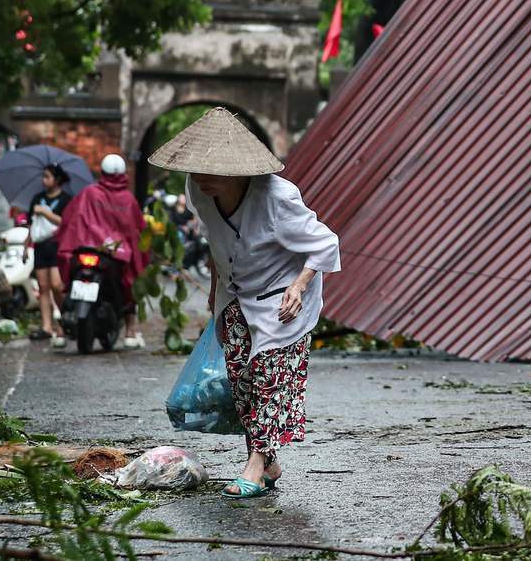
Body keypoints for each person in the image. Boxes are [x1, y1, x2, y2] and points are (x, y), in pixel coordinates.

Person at [147, 106, 340, 499]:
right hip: (236, 295)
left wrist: (299, 287)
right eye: (195, 171)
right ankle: (270, 464)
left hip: (282, 298)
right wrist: (216, 297)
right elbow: (216, 243)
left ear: (236, 172)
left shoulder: (277, 198)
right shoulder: (198, 191)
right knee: (242, 383)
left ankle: (254, 465)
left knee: (270, 380)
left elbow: (325, 244)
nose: (201, 179)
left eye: (210, 172)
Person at [55, 153, 148, 349]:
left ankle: (60, 331)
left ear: (102, 173)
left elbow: (71, 219)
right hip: (115, 253)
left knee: (67, 281)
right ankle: (130, 331)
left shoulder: (89, 192)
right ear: (124, 174)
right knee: (130, 281)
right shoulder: (128, 199)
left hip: (85, 248)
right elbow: (136, 231)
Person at [26, 164, 73, 346]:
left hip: (57, 246)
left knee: (57, 285)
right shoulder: (37, 198)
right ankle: (46, 326)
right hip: (40, 246)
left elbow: (66, 223)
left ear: (57, 179)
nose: (44, 180)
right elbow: (32, 224)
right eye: (43, 177)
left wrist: (46, 213)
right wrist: (26, 245)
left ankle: (63, 322)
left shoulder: (66, 200)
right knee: (43, 287)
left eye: (47, 177)